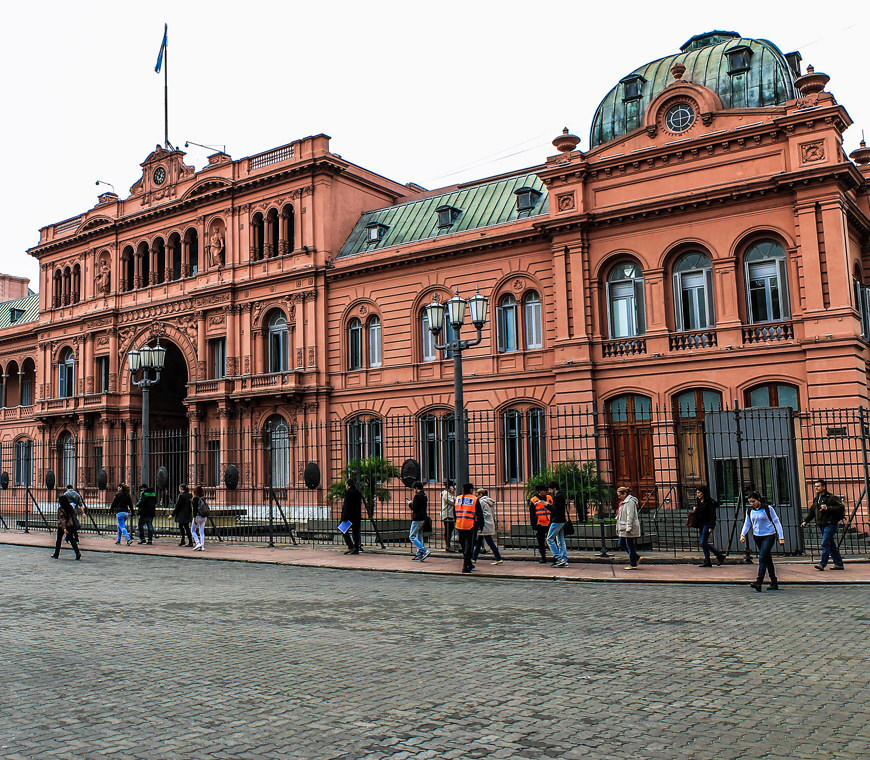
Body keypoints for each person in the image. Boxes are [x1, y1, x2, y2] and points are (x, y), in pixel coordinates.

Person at [740, 491, 785, 591]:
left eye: (753, 501)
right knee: (767, 558)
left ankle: (759, 581)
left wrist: (781, 537)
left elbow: (776, 521)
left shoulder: (768, 509)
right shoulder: (750, 510)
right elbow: (747, 523)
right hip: (757, 536)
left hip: (769, 535)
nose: (752, 504)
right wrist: (743, 534)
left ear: (758, 499)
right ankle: (774, 581)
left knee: (762, 557)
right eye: (750, 502)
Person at [802, 479, 846, 571]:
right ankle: (838, 563)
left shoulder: (831, 497)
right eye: (815, 487)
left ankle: (822, 564)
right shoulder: (817, 499)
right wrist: (806, 521)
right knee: (831, 544)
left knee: (825, 542)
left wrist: (828, 508)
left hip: (830, 524)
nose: (816, 488)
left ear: (824, 487)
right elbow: (812, 511)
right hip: (821, 524)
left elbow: (841, 507)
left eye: (818, 486)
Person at [691, 485, 726, 567]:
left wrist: (711, 526)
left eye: (699, 493)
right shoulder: (699, 501)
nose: (697, 494)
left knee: (703, 542)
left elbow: (712, 515)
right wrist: (696, 510)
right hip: (701, 523)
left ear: (703, 493)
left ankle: (719, 555)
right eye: (697, 493)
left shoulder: (709, 502)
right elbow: (700, 512)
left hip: (707, 523)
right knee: (704, 542)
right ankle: (708, 560)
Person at [455, 482, 484, 574]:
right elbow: (479, 513)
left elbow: (454, 512)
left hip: (460, 524)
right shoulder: (474, 499)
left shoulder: (458, 499)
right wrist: (481, 525)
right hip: (471, 525)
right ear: (471, 490)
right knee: (469, 546)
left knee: (463, 545)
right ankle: (466, 565)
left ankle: (468, 563)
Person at [473, 488, 503, 565]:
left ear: (481, 494)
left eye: (477, 494)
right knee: (480, 541)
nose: (476, 496)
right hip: (489, 523)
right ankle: (473, 558)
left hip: (484, 524)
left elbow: (481, 513)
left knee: (488, 541)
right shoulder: (489, 501)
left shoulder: (481, 502)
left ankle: (498, 557)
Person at [616, 485, 642, 569]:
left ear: (624, 494)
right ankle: (636, 557)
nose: (619, 497)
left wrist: (629, 527)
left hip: (627, 527)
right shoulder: (624, 502)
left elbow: (630, 515)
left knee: (629, 545)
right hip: (623, 526)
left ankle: (633, 563)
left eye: (620, 495)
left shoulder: (630, 502)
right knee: (621, 543)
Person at [51, 494, 81, 560]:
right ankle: (77, 552)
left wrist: (64, 528)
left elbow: (62, 519)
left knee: (58, 540)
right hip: (70, 525)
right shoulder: (70, 507)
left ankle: (56, 554)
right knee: (71, 539)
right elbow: (75, 515)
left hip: (62, 526)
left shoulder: (61, 509)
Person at [546, 480, 569, 568]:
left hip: (557, 521)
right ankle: (564, 559)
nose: (549, 492)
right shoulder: (560, 496)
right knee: (560, 541)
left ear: (554, 489)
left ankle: (558, 558)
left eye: (550, 489)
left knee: (549, 539)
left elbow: (555, 509)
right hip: (561, 520)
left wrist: (547, 505)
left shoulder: (557, 497)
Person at [529, 485, 552, 564]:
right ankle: (543, 557)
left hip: (550, 523)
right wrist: (534, 524)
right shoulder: (534, 500)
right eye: (544, 491)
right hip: (540, 524)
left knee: (553, 540)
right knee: (541, 541)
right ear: (540, 491)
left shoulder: (549, 498)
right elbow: (532, 514)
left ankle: (556, 556)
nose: (546, 492)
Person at [408, 481, 430, 561]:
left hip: (417, 518)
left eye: (414, 489)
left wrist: (410, 504)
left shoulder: (417, 496)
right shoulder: (424, 495)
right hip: (423, 518)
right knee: (419, 536)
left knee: (412, 536)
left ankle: (423, 550)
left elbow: (414, 508)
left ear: (416, 488)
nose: (414, 490)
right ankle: (419, 554)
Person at [341, 479, 363, 555]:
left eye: (346, 484)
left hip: (349, 516)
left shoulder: (348, 493)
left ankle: (350, 546)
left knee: (343, 529)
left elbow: (347, 506)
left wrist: (344, 517)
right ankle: (356, 548)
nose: (346, 486)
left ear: (348, 485)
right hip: (356, 516)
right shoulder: (357, 492)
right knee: (355, 532)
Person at [440, 480, 456, 552]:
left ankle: (449, 545)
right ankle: (448, 545)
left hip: (450, 514)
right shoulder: (446, 494)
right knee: (448, 529)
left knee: (450, 529)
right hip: (447, 514)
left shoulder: (449, 494)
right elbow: (453, 502)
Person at [191, 485, 209, 551]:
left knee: (192, 530)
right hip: (204, 516)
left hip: (198, 516)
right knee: (201, 531)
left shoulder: (195, 498)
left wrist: (194, 518)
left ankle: (198, 543)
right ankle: (202, 546)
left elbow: (195, 509)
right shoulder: (203, 498)